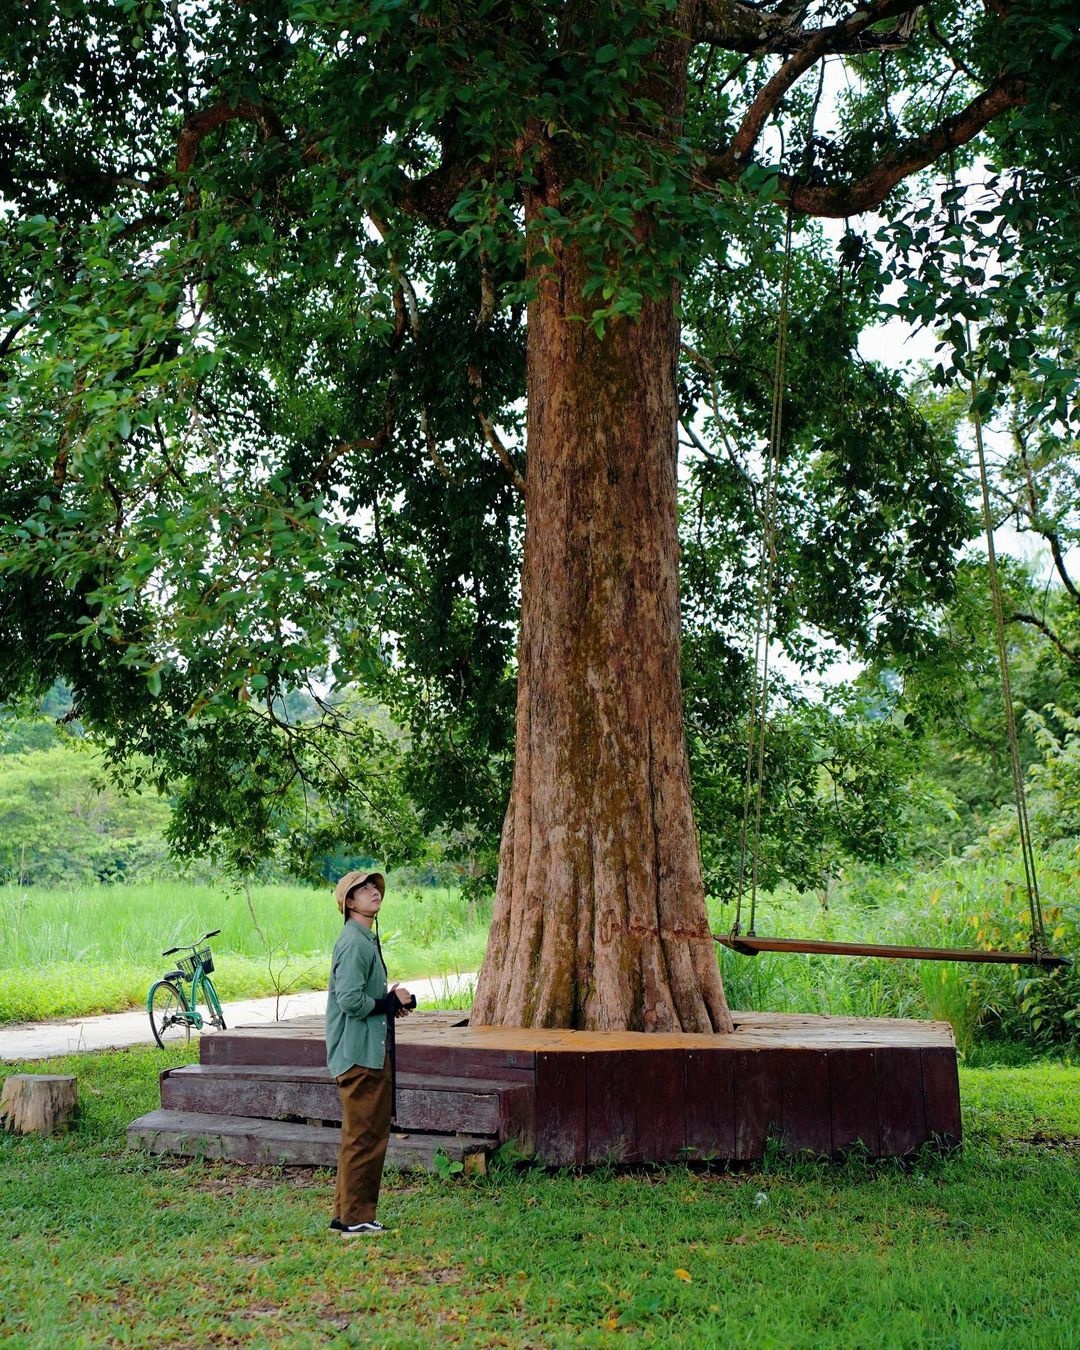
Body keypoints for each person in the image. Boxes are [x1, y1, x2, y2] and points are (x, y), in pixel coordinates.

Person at [326, 869, 413, 1237]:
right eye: (362, 890)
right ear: (349, 902)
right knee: (366, 1136)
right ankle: (355, 1219)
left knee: (358, 1135)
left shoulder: (364, 937)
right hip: (359, 1055)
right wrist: (387, 1002)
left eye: (373, 887)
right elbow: (349, 1001)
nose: (373, 892)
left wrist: (390, 1004)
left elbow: (367, 1000)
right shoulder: (354, 941)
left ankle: (345, 1214)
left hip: (366, 1050)